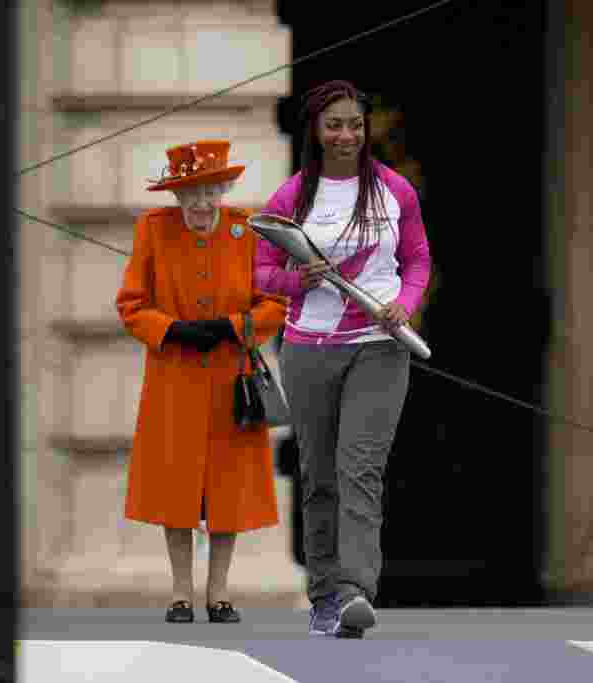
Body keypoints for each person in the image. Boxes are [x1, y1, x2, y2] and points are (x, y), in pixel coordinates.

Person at [255, 81, 432, 638]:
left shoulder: (395, 190)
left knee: (361, 468)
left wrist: (404, 305)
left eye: (355, 124)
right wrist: (296, 281)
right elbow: (259, 272)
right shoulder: (291, 197)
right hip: (309, 349)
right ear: (316, 129)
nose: (346, 135)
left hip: (380, 347)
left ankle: (356, 591)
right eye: (334, 124)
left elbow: (418, 259)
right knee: (320, 475)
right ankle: (325, 597)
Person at [116, 140, 288, 625]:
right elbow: (131, 304)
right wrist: (172, 330)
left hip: (232, 378)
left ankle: (219, 593)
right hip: (174, 378)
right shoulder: (153, 230)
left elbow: (275, 303)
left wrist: (234, 327)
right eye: (191, 193)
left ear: (224, 190)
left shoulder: (247, 230)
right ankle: (179, 594)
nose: (202, 203)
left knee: (227, 490)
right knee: (177, 488)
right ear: (176, 194)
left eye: (211, 191)